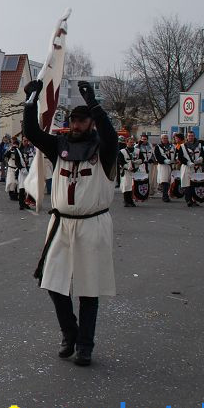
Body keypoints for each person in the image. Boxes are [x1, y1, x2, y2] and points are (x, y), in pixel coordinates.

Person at [24, 79, 118, 367]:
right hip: (62, 224)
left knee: (88, 289)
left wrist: (95, 105)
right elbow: (32, 133)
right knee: (53, 282)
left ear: (90, 122)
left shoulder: (104, 151)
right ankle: (70, 334)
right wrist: (31, 100)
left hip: (92, 224)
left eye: (82, 120)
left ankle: (86, 346)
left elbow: (111, 135)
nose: (77, 124)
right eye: (73, 120)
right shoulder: (60, 146)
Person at [177, 132, 204, 207]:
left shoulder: (200, 145)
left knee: (196, 184)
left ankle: (195, 200)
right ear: (186, 137)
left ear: (194, 136)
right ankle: (188, 200)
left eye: (192, 136)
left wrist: (202, 158)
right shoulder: (182, 146)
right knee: (187, 184)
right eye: (189, 136)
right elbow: (180, 157)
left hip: (197, 167)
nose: (191, 137)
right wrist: (187, 162)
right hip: (187, 167)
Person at [118, 136, 139, 207]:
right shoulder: (122, 151)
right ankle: (126, 201)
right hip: (126, 171)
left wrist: (138, 161)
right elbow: (120, 161)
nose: (132, 143)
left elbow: (142, 158)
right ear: (127, 143)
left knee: (132, 186)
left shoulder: (137, 150)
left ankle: (131, 201)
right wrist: (127, 167)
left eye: (133, 142)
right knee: (126, 186)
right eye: (130, 142)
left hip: (135, 171)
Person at [153, 134, 175, 202]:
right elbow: (157, 156)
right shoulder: (158, 147)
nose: (165, 139)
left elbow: (176, 153)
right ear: (161, 139)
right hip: (163, 166)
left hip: (171, 165)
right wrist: (164, 160)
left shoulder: (172, 146)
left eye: (166, 138)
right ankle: (165, 196)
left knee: (170, 181)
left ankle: (169, 194)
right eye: (164, 138)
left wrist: (175, 159)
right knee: (164, 181)